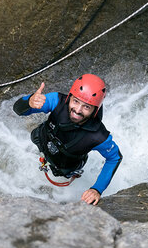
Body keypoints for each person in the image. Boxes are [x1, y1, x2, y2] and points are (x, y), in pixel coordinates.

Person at [13, 74, 122, 205]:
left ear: (95, 110)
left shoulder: (98, 136)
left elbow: (114, 158)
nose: (77, 110)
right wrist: (29, 101)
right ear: (69, 97)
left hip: (64, 167)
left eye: (86, 106)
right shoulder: (56, 101)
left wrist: (97, 189)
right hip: (40, 141)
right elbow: (18, 110)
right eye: (75, 101)